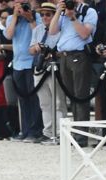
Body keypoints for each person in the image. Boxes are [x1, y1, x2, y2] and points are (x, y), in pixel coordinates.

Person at [49, 0, 98, 147]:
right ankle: (75, 131)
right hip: (64, 56)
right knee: (71, 95)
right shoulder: (63, 12)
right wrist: (59, 11)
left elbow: (84, 34)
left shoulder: (88, 12)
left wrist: (73, 17)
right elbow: (52, 31)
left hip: (79, 56)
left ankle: (81, 135)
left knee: (80, 95)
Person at [6, 1, 43, 143]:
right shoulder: (11, 18)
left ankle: (35, 131)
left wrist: (30, 18)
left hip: (31, 62)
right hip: (18, 63)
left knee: (33, 98)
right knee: (22, 99)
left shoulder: (36, 16)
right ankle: (25, 130)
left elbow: (38, 34)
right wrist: (15, 16)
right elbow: (9, 35)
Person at [29, 2, 66, 143]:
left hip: (54, 66)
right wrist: (38, 47)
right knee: (44, 103)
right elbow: (30, 50)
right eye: (42, 14)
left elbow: (62, 49)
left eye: (48, 14)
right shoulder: (37, 30)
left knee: (58, 102)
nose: (44, 17)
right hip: (40, 67)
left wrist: (52, 53)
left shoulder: (60, 29)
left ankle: (60, 132)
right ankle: (48, 131)